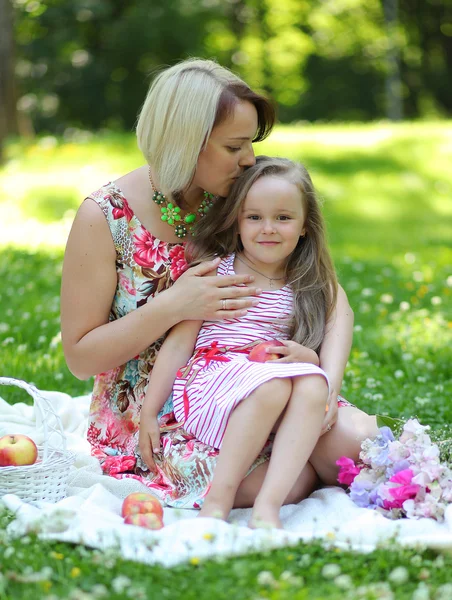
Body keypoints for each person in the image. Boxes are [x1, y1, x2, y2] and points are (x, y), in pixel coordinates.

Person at [61, 57, 377, 512]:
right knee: (279, 483)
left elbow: (326, 290)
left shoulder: (240, 199)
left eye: (250, 144)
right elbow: (79, 356)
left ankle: (306, 459)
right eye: (235, 147)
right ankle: (289, 474)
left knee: (358, 442)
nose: (248, 159)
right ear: (185, 142)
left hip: (256, 377)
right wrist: (173, 306)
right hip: (162, 407)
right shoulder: (105, 218)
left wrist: (326, 377)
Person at [139, 156, 377, 528]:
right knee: (273, 385)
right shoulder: (217, 275)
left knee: (315, 384)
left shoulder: (315, 287)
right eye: (254, 217)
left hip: (279, 379)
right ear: (237, 221)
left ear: (304, 227)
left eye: (283, 218)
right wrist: (149, 414)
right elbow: (178, 345)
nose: (268, 229)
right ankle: (218, 498)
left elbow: (331, 369)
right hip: (215, 382)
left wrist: (308, 358)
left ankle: (269, 506)